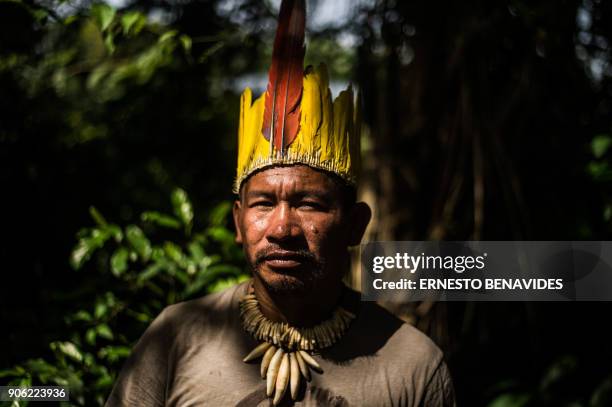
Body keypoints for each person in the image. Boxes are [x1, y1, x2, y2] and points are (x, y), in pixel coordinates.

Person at [105, 0, 456, 405]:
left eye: (308, 204)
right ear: (238, 222)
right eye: (263, 204)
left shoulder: (413, 364)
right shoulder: (176, 337)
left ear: (356, 224)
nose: (282, 229)